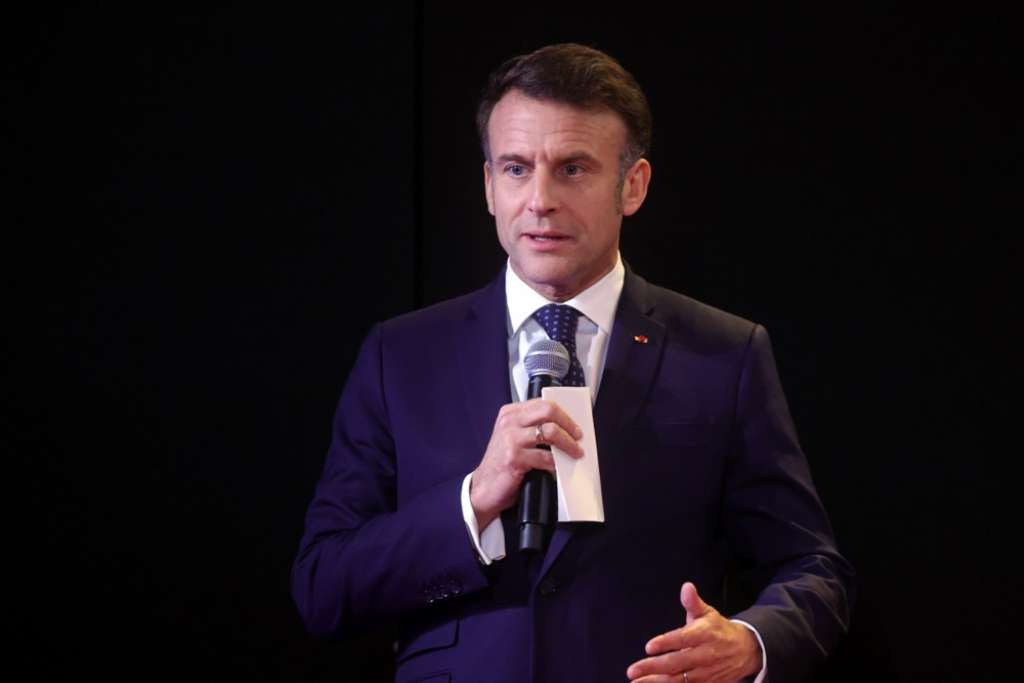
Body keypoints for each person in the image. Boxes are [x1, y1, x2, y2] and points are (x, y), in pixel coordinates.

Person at [292, 43, 853, 682]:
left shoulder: (725, 354)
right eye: (516, 168)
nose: (540, 199)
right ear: (488, 185)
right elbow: (322, 586)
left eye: (573, 169)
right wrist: (473, 502)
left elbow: (815, 569)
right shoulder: (401, 355)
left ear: (633, 185)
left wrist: (751, 644)